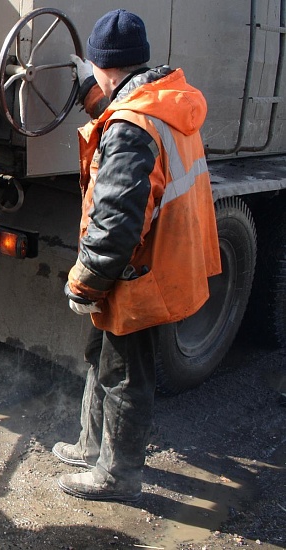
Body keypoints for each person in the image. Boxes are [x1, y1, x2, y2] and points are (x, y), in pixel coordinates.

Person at [56, 9, 221, 502]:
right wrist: (89, 89)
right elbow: (118, 119)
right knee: (99, 354)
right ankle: (91, 447)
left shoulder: (131, 128)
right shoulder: (160, 101)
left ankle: (117, 475)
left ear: (105, 66)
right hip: (160, 257)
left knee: (124, 373)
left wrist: (84, 283)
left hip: (141, 270)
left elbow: (116, 225)